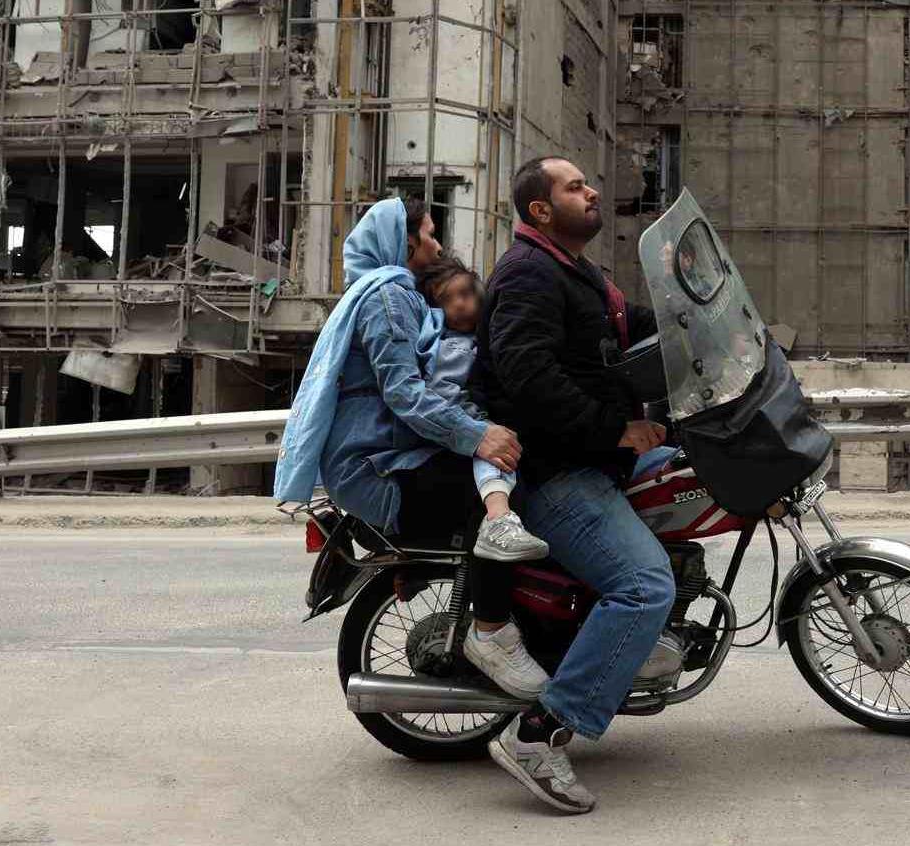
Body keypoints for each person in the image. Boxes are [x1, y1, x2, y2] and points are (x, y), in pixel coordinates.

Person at [270, 197, 552, 698]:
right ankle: (492, 633)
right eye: (429, 232)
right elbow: (405, 392)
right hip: (377, 466)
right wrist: (478, 434)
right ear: (404, 241)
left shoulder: (395, 294)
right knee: (499, 489)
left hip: (386, 453)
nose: (438, 244)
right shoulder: (388, 295)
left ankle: (423, 571)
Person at [470, 156, 676, 814]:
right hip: (555, 469)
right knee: (644, 585)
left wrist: (713, 328)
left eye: (588, 182)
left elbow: (628, 328)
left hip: (586, 456)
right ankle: (540, 733)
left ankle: (627, 648)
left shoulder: (576, 273)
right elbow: (526, 374)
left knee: (680, 475)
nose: (591, 191)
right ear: (539, 209)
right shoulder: (529, 273)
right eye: (574, 186)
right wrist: (610, 431)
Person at [413, 255, 549, 563]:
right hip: (459, 422)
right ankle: (498, 518)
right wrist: (476, 426)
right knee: (494, 453)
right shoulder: (449, 345)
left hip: (472, 417)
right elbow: (443, 393)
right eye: (447, 299)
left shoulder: (483, 337)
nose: (460, 304)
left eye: (465, 293)